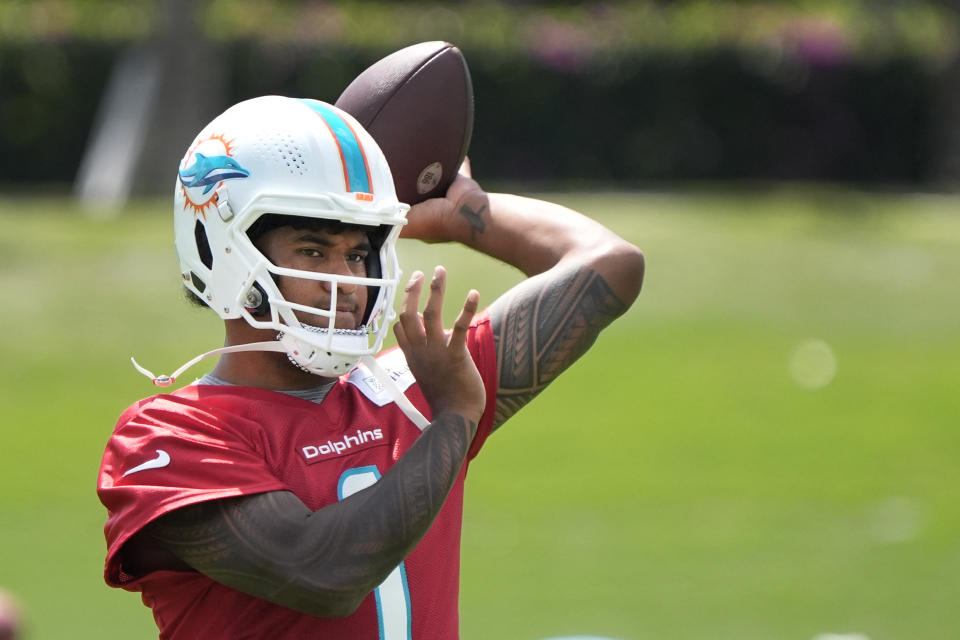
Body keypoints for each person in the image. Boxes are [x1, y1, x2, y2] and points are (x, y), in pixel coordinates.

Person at [97, 95, 643, 639]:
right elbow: (324, 573)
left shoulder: (412, 384)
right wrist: (453, 419)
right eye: (313, 252)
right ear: (222, 252)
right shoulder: (168, 437)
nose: (349, 281)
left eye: (358, 253)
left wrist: (465, 218)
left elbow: (609, 264)